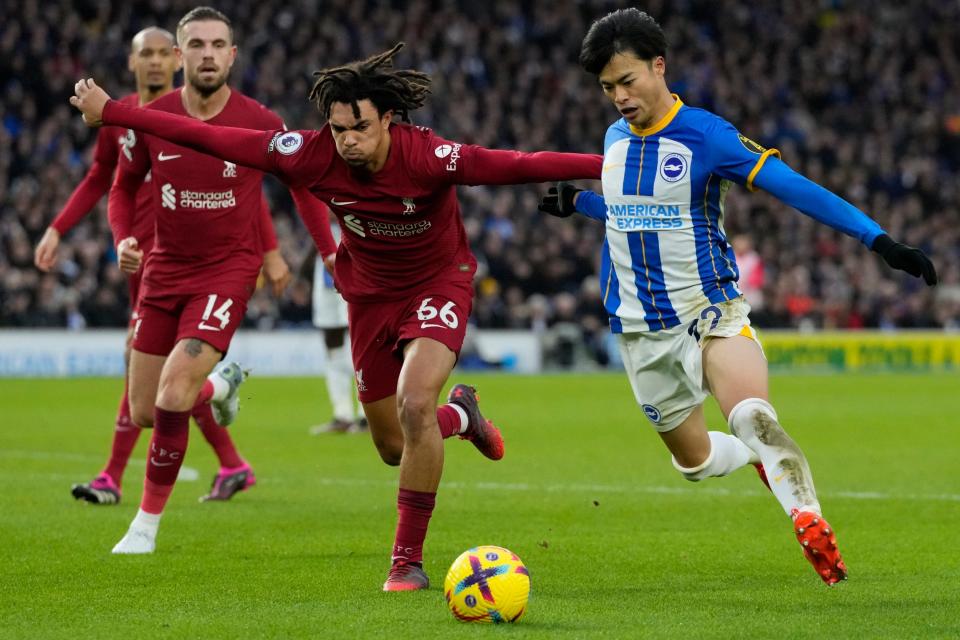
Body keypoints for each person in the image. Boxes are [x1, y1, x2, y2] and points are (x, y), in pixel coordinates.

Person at [70, 42, 602, 590]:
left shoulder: (427, 157)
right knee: (394, 446)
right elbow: (210, 136)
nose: (347, 140)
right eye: (339, 127)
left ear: (388, 118)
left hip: (437, 284)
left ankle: (405, 562)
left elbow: (517, 165)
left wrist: (605, 166)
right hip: (369, 299)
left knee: (416, 400)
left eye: (360, 127)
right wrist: (114, 112)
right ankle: (463, 418)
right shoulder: (310, 152)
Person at [538, 8, 936, 586]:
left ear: (659, 65)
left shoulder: (707, 135)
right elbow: (631, 215)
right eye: (607, 87)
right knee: (694, 464)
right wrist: (579, 204)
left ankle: (806, 515)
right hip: (639, 332)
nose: (619, 96)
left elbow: (793, 187)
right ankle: (753, 457)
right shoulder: (614, 139)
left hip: (709, 311)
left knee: (751, 413)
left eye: (627, 81)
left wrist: (876, 238)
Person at [85, 7, 334, 554]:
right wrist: (124, 238)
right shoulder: (154, 119)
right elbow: (123, 188)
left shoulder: (261, 122)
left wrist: (328, 252)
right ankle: (222, 385)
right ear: (180, 56)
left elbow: (301, 189)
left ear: (232, 55)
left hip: (226, 271)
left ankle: (144, 528)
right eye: (195, 45)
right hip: (164, 269)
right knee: (147, 410)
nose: (206, 54)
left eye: (217, 44)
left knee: (175, 393)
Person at [33, 27, 283, 506]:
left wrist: (269, 250)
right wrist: (59, 229)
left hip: (199, 263)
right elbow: (102, 182)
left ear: (174, 60)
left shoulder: (197, 116)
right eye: (141, 54)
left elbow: (248, 188)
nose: (151, 63)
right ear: (131, 63)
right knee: (162, 384)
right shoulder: (120, 117)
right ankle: (232, 462)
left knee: (156, 372)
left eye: (157, 55)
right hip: (147, 264)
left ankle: (111, 475)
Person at [301, 236, 368, 435]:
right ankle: (343, 415)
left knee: (360, 344)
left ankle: (367, 416)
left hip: (355, 273)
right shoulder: (320, 215)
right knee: (332, 345)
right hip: (325, 281)